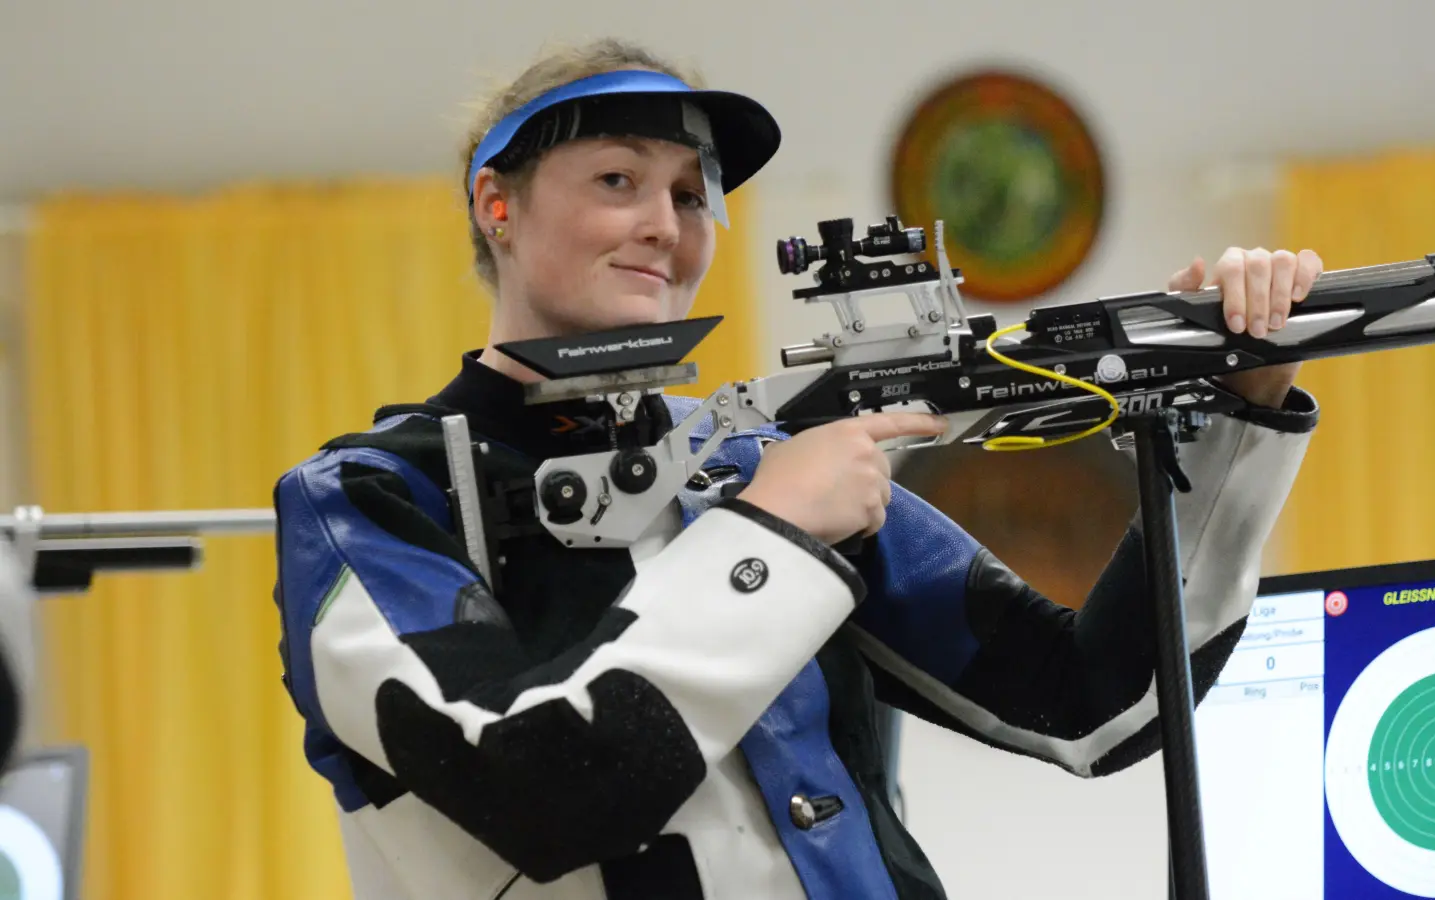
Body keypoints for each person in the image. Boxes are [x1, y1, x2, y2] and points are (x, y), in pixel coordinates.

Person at [270, 38, 1324, 900]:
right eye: (616, 181)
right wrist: (769, 537)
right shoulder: (366, 500)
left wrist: (1243, 401)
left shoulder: (749, 458)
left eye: (691, 196)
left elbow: (1094, 704)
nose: (665, 227)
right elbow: (542, 790)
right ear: (495, 205)